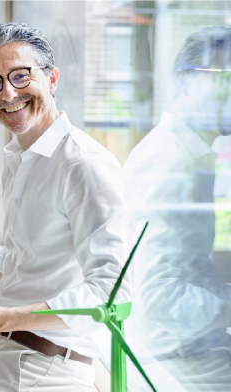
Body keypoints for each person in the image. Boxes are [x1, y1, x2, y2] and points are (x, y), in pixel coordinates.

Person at [0, 22, 130, 391]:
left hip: (38, 370)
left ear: (52, 79)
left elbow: (111, 292)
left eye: (20, 75)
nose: (8, 93)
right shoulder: (20, 157)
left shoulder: (83, 164)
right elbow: (15, 255)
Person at [124, 27, 231, 391]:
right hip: (176, 360)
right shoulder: (169, 161)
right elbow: (160, 295)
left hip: (193, 348)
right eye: (222, 78)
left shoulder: (192, 153)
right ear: (184, 81)